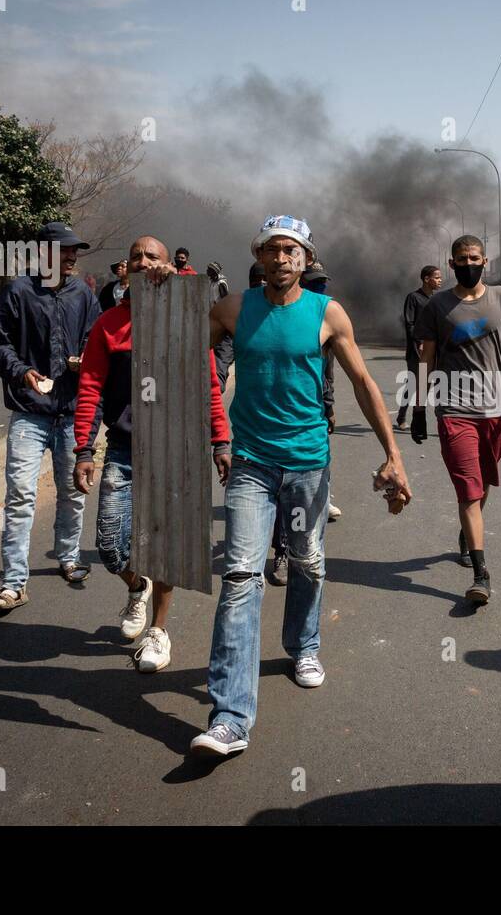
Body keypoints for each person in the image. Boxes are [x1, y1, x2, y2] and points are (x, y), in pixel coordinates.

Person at [189, 214, 411, 757]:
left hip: (309, 463)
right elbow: (181, 357)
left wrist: (394, 455)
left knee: (308, 560)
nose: (282, 259)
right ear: (258, 257)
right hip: (250, 464)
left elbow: (361, 381)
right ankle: (230, 717)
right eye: (273, 250)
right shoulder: (233, 310)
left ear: (307, 260)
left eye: (292, 251)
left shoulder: (326, 313)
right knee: (241, 575)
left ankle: (303, 645)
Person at [73, 236, 232, 673]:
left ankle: (158, 632)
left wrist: (221, 441)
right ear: (125, 269)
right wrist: (84, 449)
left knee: (166, 547)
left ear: (167, 265)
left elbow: (209, 387)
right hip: (124, 451)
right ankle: (136, 586)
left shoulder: (184, 319)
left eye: (152, 257)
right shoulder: (108, 325)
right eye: (135, 257)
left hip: (175, 449)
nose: (142, 262)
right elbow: (90, 390)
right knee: (109, 545)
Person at [412, 233, 501, 604]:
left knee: (482, 487)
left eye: (474, 258)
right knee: (468, 488)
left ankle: (468, 535)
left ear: (486, 262)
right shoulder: (437, 306)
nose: (468, 265)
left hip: (494, 411)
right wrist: (418, 408)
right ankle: (481, 573)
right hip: (454, 412)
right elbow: (427, 360)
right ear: (451, 264)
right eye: (461, 260)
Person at [0, 222, 100, 611]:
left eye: (74, 252)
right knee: (20, 495)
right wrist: (21, 371)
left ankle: (68, 557)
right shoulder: (18, 292)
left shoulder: (83, 293)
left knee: (73, 491)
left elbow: (94, 338)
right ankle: (13, 584)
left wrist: (85, 359)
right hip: (29, 415)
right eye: (64, 251)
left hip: (71, 413)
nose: (71, 257)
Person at [303, 259, 342, 521]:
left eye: (322, 282)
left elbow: (328, 370)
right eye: (314, 282)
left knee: (320, 453)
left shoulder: (326, 313)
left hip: (316, 398)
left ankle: (322, 498)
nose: (320, 286)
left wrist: (329, 405)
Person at [396, 265, 442, 431]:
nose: (440, 280)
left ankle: (441, 419)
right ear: (426, 279)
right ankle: (402, 417)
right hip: (418, 350)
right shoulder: (413, 298)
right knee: (414, 383)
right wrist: (420, 342)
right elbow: (409, 324)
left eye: (440, 277)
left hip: (435, 349)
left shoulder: (437, 300)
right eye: (436, 277)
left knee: (438, 381)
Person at [206, 261, 234, 392]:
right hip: (212, 319)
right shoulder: (210, 282)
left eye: (210, 269)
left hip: (221, 321)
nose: (207, 271)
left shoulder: (221, 284)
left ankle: (219, 384)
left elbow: (224, 300)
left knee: (221, 354)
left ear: (215, 271)